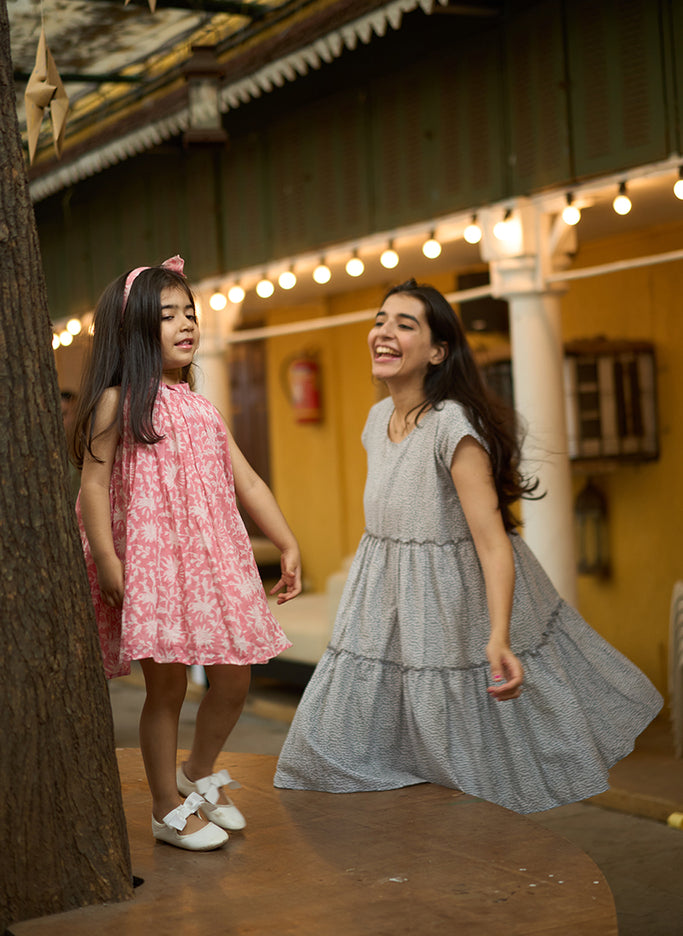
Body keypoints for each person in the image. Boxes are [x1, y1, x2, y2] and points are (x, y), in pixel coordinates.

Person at [274, 279, 663, 813]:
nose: (384, 332)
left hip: (450, 613)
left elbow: (493, 542)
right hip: (385, 610)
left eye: (405, 324)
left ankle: (480, 871)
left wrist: (499, 636)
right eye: (380, 320)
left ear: (438, 352)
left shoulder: (452, 425)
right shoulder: (373, 422)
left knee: (465, 769)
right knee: (347, 754)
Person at [74, 256, 301, 851]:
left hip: (214, 563)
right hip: (155, 565)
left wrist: (286, 540)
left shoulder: (202, 406)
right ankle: (163, 805)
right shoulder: (117, 403)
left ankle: (197, 772)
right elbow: (93, 487)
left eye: (189, 312)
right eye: (167, 314)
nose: (185, 324)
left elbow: (247, 481)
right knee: (167, 689)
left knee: (235, 679)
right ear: (134, 331)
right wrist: (106, 559)